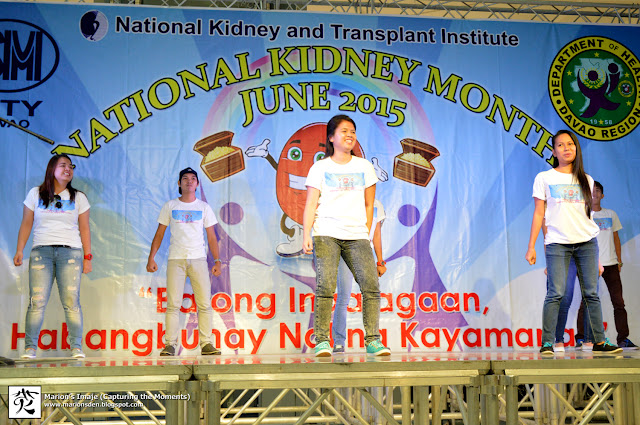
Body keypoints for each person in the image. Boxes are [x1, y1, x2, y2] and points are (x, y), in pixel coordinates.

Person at [525, 130, 621, 356]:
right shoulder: (544, 178)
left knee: (591, 293)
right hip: (558, 243)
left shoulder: (586, 179)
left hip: (586, 243)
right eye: (560, 145)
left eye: (570, 144)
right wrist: (531, 246)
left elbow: (588, 217)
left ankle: (599, 341)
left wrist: (598, 259)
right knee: (556, 293)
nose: (566, 148)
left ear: (576, 148)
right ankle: (548, 342)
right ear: (553, 151)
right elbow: (539, 213)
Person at [303, 114, 390, 357]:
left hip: (356, 235)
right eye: (344, 131)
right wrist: (306, 234)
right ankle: (322, 341)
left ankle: (373, 340)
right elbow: (310, 204)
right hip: (326, 233)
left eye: (352, 131)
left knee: (370, 286)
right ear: (331, 137)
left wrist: (365, 232)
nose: (349, 135)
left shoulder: (364, 166)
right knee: (326, 286)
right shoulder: (320, 167)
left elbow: (369, 204)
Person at [14, 154, 92, 359]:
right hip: (42, 252)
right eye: (63, 165)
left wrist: (88, 257)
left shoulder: (78, 197)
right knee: (37, 302)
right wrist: (20, 250)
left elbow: (85, 228)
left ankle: (76, 347)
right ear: (52, 169)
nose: (68, 169)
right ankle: (30, 348)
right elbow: (26, 223)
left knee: (71, 301)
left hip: (70, 253)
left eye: (71, 166)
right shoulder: (36, 194)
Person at [147, 167, 222, 356]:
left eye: (193, 178)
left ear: (197, 184)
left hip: (198, 260)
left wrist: (217, 260)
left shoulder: (203, 207)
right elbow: (159, 233)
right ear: (179, 183)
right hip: (176, 260)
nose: (189, 181)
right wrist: (151, 257)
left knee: (204, 304)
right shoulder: (170, 206)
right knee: (173, 304)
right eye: (185, 178)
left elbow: (212, 237)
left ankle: (206, 343)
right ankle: (170, 344)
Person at [558, 181, 637, 350]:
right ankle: (581, 338)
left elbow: (615, 238)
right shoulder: (583, 214)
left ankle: (623, 339)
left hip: (611, 263)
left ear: (602, 195)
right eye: (592, 190)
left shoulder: (611, 214)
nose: (595, 193)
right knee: (586, 300)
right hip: (590, 264)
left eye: (598, 190)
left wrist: (619, 260)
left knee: (619, 302)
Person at [333, 199, 386, 353]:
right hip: (346, 251)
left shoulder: (376, 204)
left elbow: (376, 234)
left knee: (371, 294)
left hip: (365, 252)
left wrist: (380, 261)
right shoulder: (347, 197)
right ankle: (338, 342)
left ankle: (373, 340)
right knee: (343, 296)